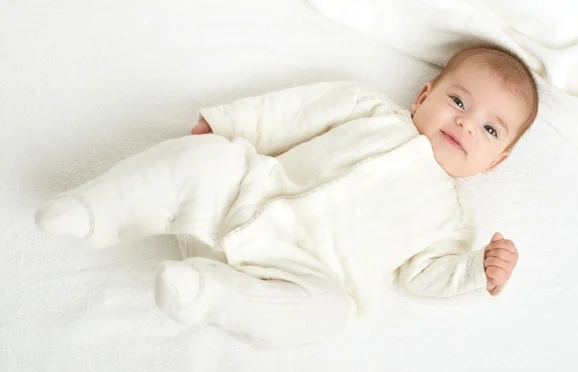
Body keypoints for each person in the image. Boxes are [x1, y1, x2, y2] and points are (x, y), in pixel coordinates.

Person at [36, 45, 538, 348]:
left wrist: (476, 271)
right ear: (423, 95)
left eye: (490, 129)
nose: (465, 124)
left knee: (329, 313)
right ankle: (95, 209)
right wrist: (230, 123)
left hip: (304, 272)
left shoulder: (448, 217)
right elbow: (292, 113)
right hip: (250, 193)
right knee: (213, 158)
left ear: (496, 162)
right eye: (458, 101)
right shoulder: (369, 109)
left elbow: (426, 273)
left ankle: (206, 294)